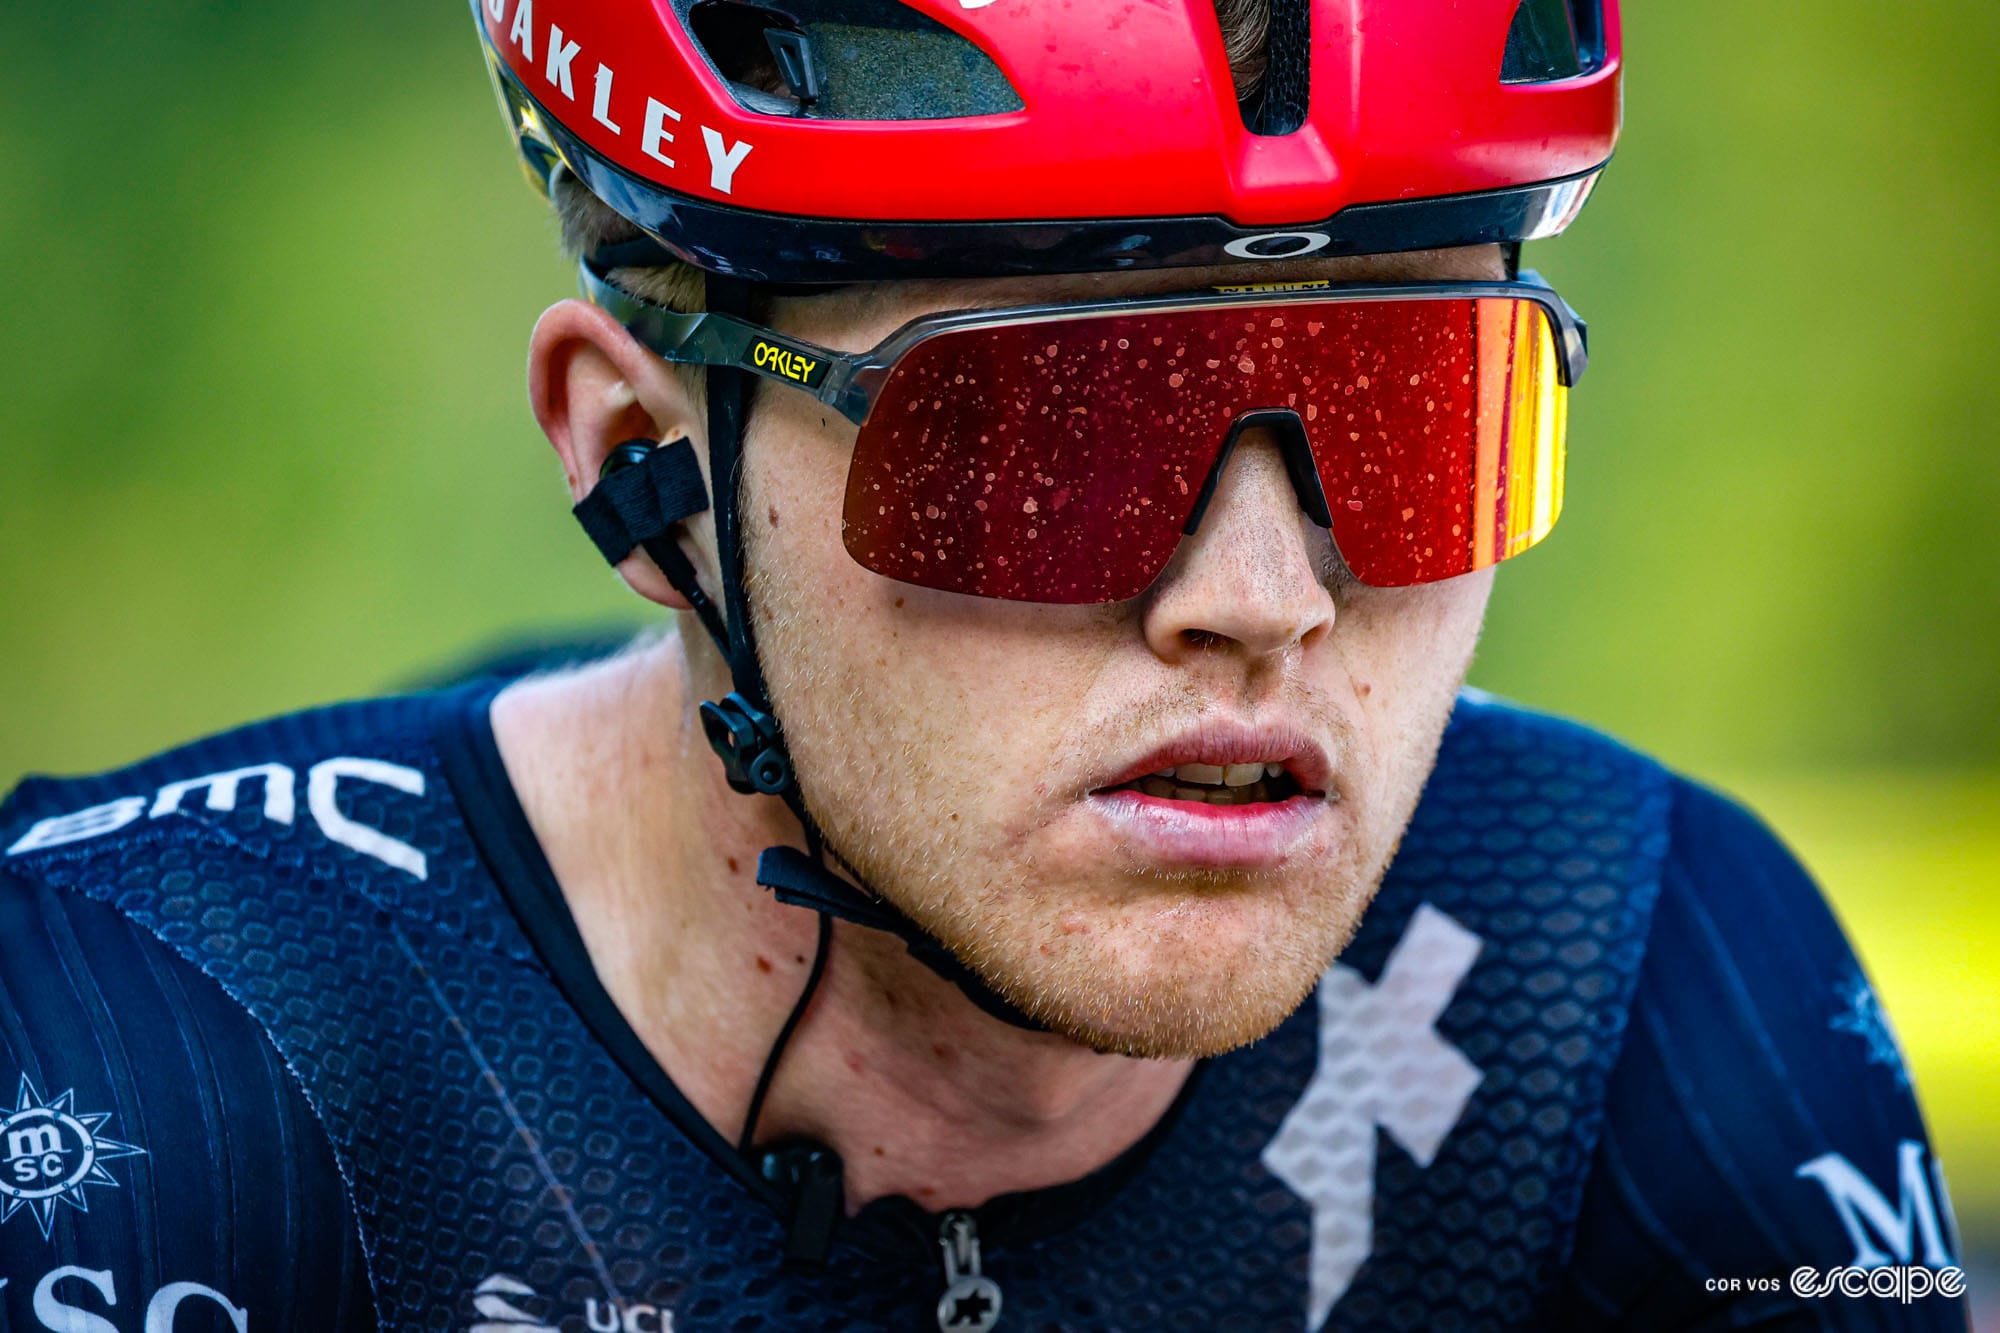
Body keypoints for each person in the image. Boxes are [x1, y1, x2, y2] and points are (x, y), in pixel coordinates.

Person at [0, 0, 1973, 1328]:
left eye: (1410, 421)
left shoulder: (1634, 977)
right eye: (1049, 445)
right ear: (639, 472)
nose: (1261, 597)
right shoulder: (154, 1062)